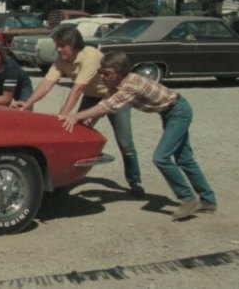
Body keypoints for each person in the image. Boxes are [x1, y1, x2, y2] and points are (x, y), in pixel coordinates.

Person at [60, 52, 217, 220]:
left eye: (107, 73)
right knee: (185, 159)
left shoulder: (130, 85)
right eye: (100, 72)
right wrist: (87, 124)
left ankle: (187, 198)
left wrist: (76, 116)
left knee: (161, 157)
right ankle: (208, 201)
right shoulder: (116, 84)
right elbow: (104, 103)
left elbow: (107, 107)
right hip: (170, 112)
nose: (102, 77)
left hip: (178, 111)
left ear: (119, 73)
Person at [13, 25, 143, 196]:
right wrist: (27, 104)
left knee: (125, 142)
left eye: (62, 45)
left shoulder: (90, 56)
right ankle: (68, 178)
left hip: (114, 96)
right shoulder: (61, 59)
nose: (58, 50)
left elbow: (77, 90)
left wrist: (64, 115)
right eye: (56, 45)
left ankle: (135, 182)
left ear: (73, 44)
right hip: (92, 95)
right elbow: (47, 83)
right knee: (75, 134)